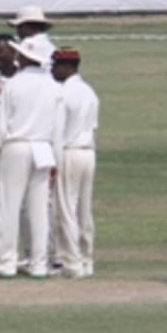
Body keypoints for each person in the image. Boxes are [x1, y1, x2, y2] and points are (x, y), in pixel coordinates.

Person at [0, 36, 63, 278]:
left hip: (16, 146)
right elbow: (58, 129)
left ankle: (7, 263)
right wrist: (56, 160)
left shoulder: (14, 85)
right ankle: (39, 264)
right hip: (42, 148)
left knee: (8, 205)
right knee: (38, 208)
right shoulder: (54, 87)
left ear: (27, 57)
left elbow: (0, 122)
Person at [50, 47, 100, 279]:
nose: (52, 70)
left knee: (66, 210)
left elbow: (58, 132)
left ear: (67, 67)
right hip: (88, 152)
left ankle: (71, 262)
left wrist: (54, 161)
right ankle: (86, 259)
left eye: (55, 66)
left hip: (69, 152)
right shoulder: (89, 91)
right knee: (83, 209)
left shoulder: (64, 94)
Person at [7, 5, 57, 71]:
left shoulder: (28, 43)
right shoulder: (51, 46)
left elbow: (17, 68)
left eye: (19, 27)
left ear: (26, 27)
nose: (17, 32)